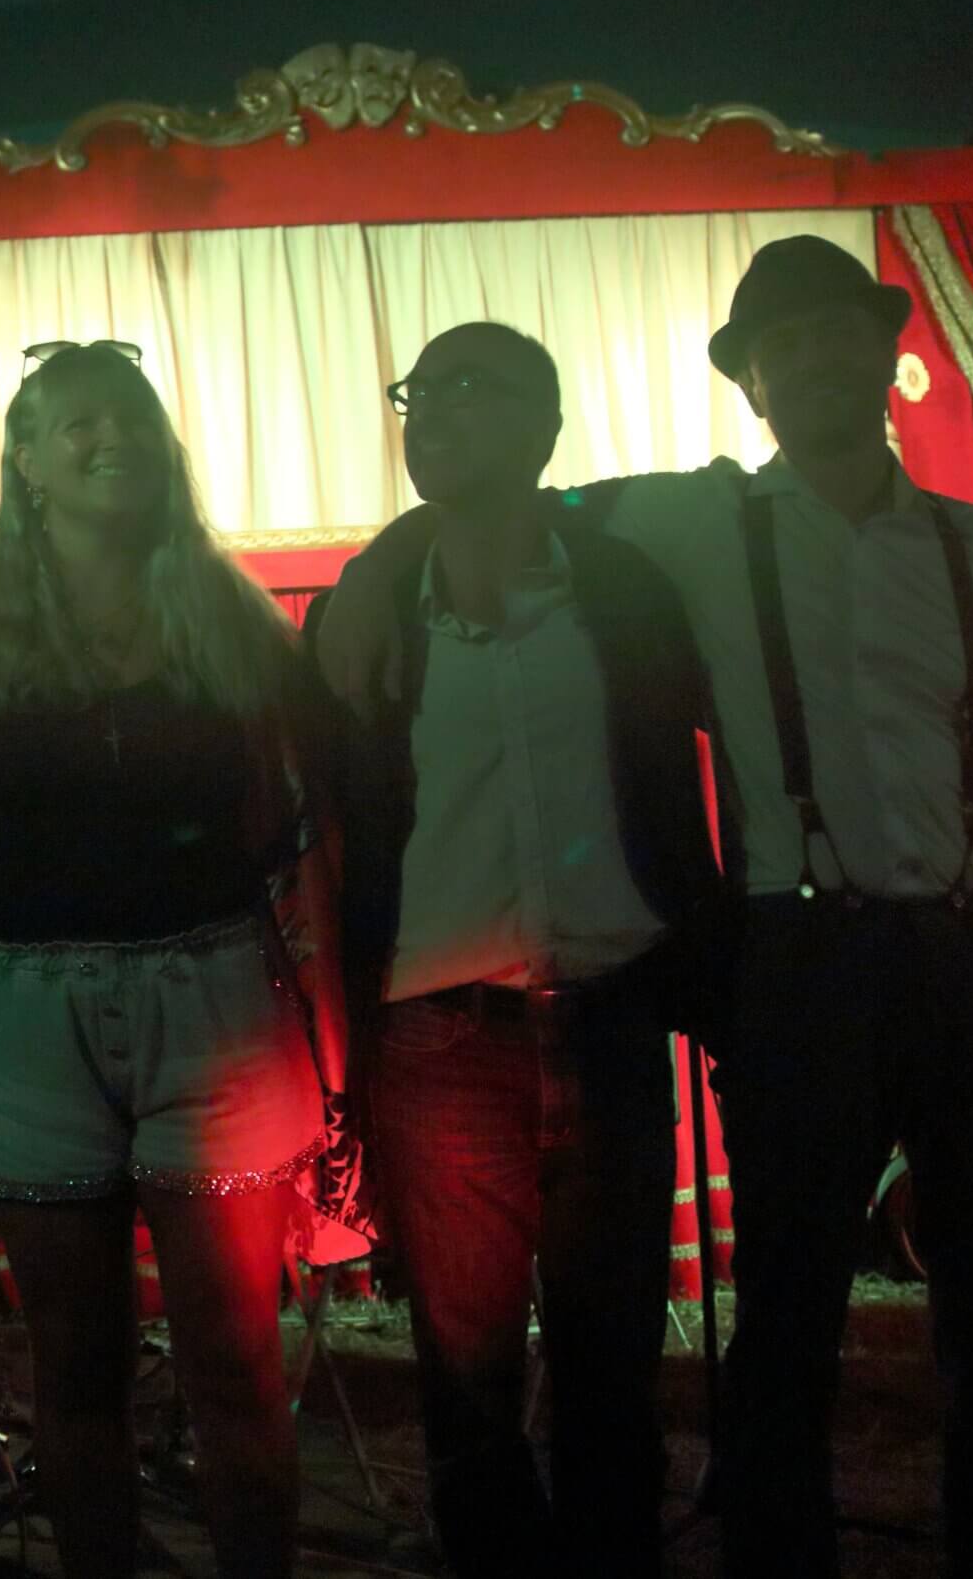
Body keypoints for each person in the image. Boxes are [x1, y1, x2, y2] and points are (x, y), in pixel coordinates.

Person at [318, 238, 973, 1577]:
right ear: (750, 383)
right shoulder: (692, 520)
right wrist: (376, 562)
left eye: (838, 333)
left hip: (971, 946)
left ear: (884, 356)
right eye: (783, 344)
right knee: (787, 1326)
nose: (815, 359)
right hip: (799, 953)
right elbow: (499, 492)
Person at [0, 340, 351, 1579]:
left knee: (235, 1362)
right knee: (73, 1366)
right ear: (27, 461)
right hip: (22, 1013)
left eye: (133, 419)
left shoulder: (230, 612)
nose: (115, 440)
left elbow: (297, 828)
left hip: (209, 1004)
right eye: (81, 422)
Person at [310, 322, 725, 1577]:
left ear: (545, 426)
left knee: (613, 1373)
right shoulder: (369, 614)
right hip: (442, 1036)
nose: (431, 410)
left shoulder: (623, 587)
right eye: (416, 392)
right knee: (466, 1391)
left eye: (468, 387)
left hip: (610, 1017)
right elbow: (326, 829)